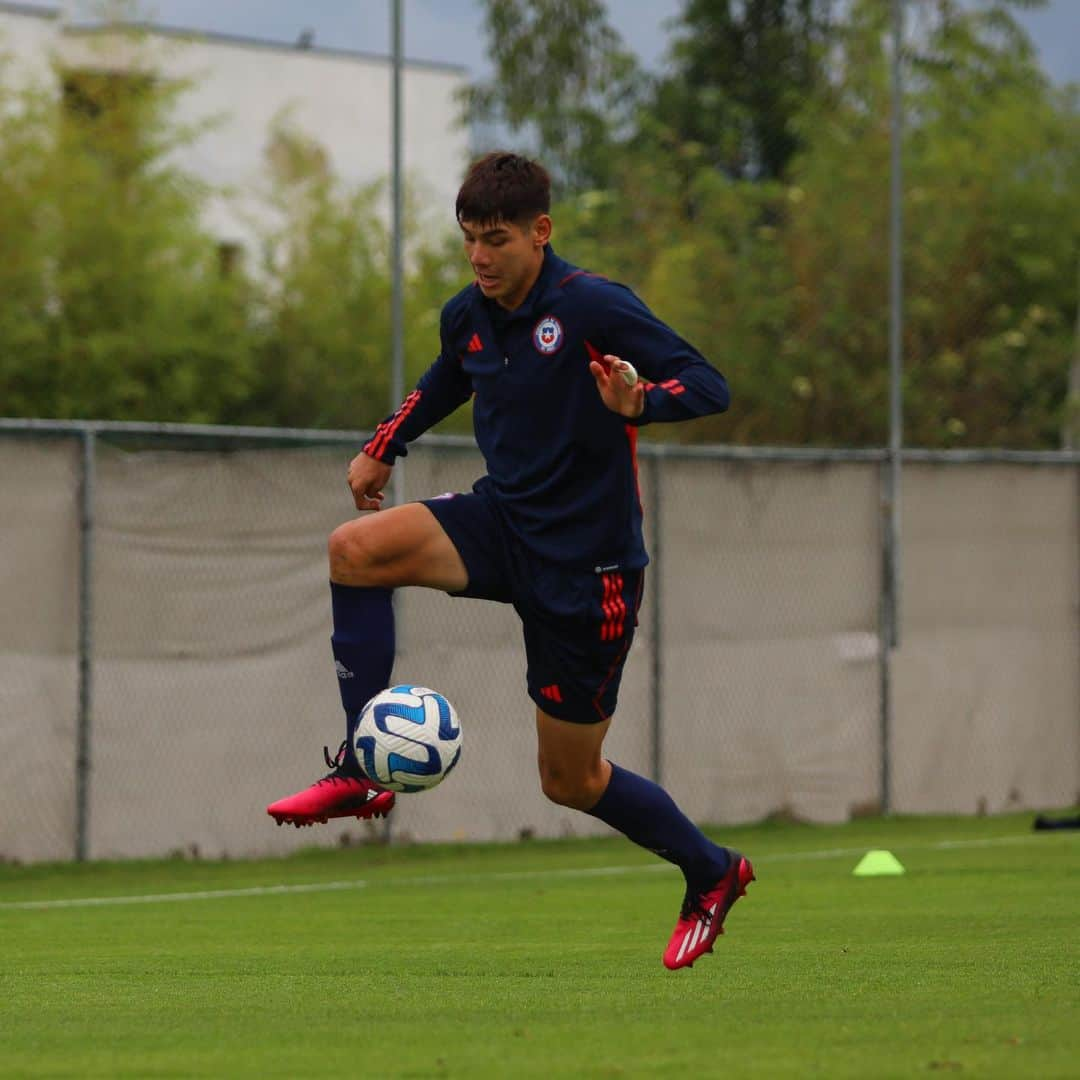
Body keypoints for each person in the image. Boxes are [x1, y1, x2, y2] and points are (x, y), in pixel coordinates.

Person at [267, 152, 753, 970]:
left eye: (496, 239)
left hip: (588, 569)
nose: (481, 258)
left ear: (541, 232)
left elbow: (709, 383)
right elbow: (449, 376)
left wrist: (644, 402)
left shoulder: (592, 305)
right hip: (503, 522)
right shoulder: (471, 312)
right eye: (469, 241)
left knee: (570, 781)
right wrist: (384, 445)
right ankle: (365, 763)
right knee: (355, 549)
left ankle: (712, 871)